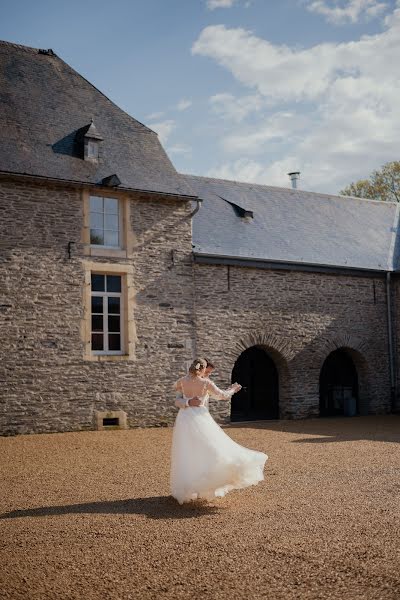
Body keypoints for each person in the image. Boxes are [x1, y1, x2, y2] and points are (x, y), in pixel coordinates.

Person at [170, 358, 268, 505]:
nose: (208, 375)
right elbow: (222, 395)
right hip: (198, 418)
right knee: (195, 449)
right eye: (207, 372)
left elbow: (177, 392)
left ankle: (199, 484)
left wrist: (188, 401)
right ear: (202, 369)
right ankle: (199, 484)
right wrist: (233, 389)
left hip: (184, 418)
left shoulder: (182, 381)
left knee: (193, 450)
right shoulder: (205, 383)